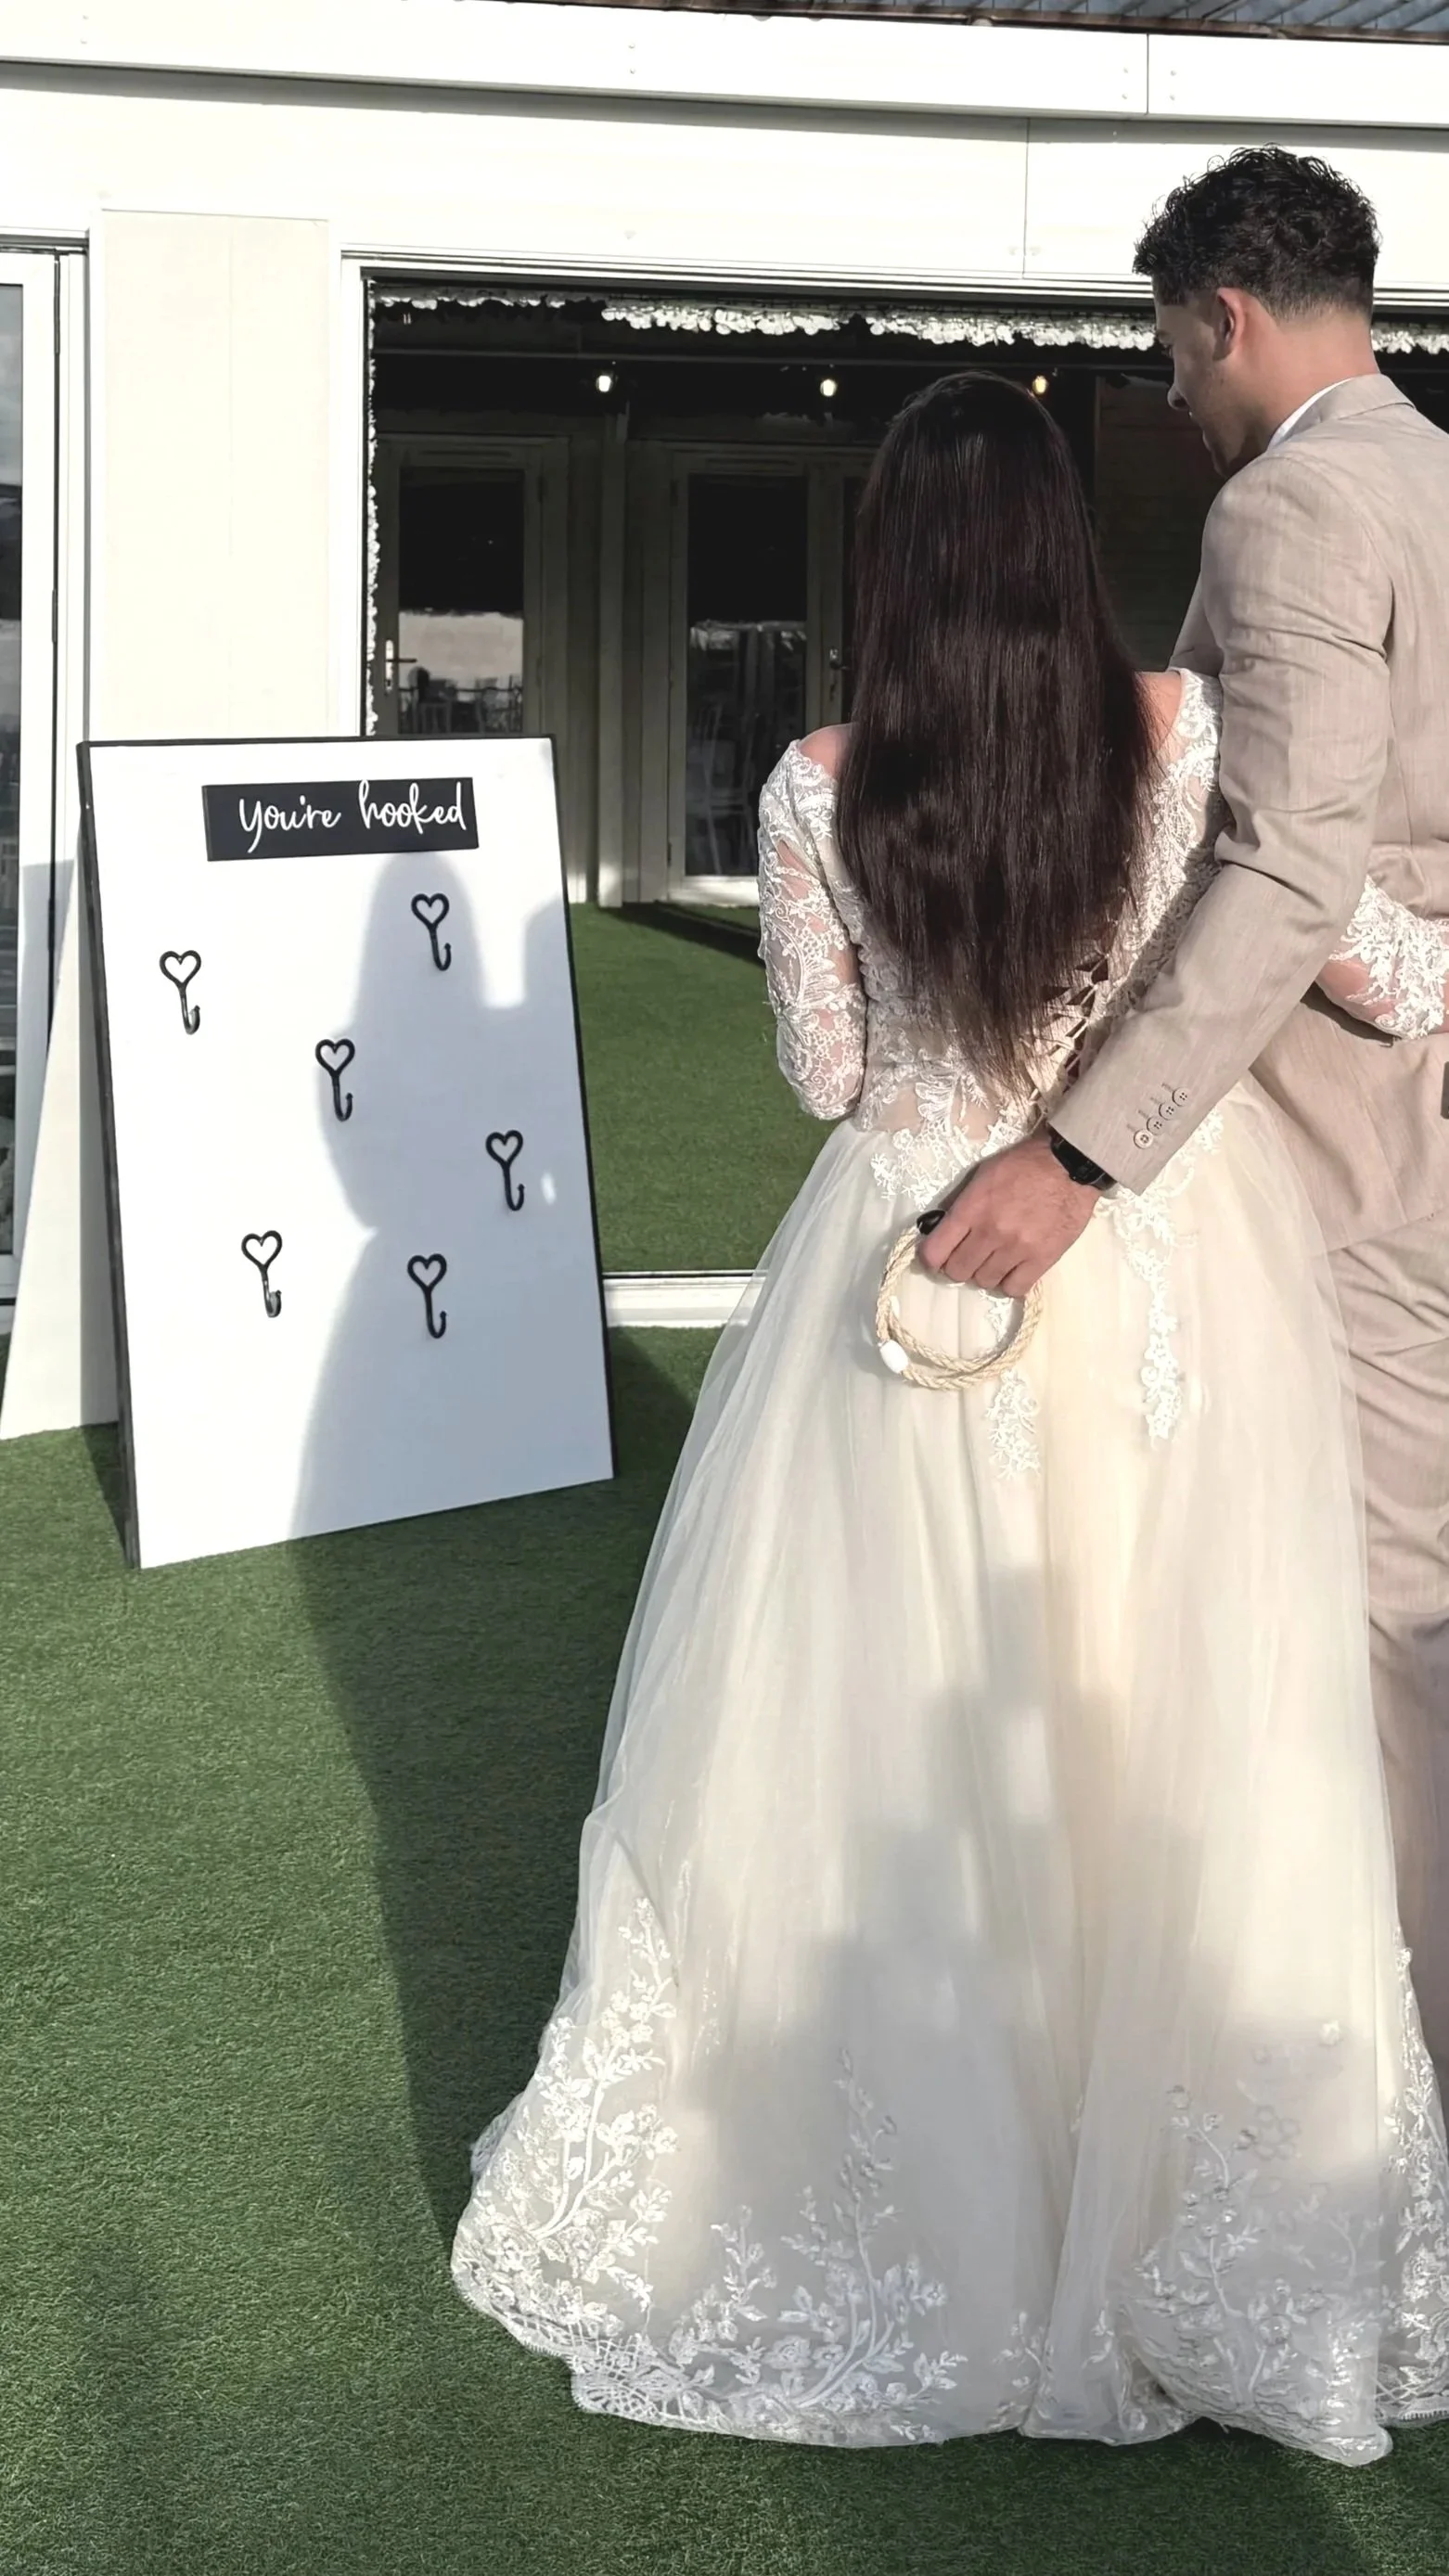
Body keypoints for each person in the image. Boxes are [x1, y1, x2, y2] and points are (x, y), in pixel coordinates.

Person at [451, 370, 1449, 2463]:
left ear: (882, 563)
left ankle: (930, 2182)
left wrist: (941, 1039)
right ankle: (1198, 2203)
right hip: (1163, 1258)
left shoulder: (819, 782)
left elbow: (825, 1072)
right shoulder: (1182, 736)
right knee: (1177, 1708)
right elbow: (1361, 961)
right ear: (1066, 549)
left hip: (921, 1259)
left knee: (879, 1714)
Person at [925, 150, 1449, 2102]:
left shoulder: (1293, 503)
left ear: (1222, 310)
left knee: (1390, 1624)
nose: (1165, 393)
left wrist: (1074, 1151)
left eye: (1164, 347)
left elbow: (1286, 865)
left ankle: (1398, 2125)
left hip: (1370, 1139)